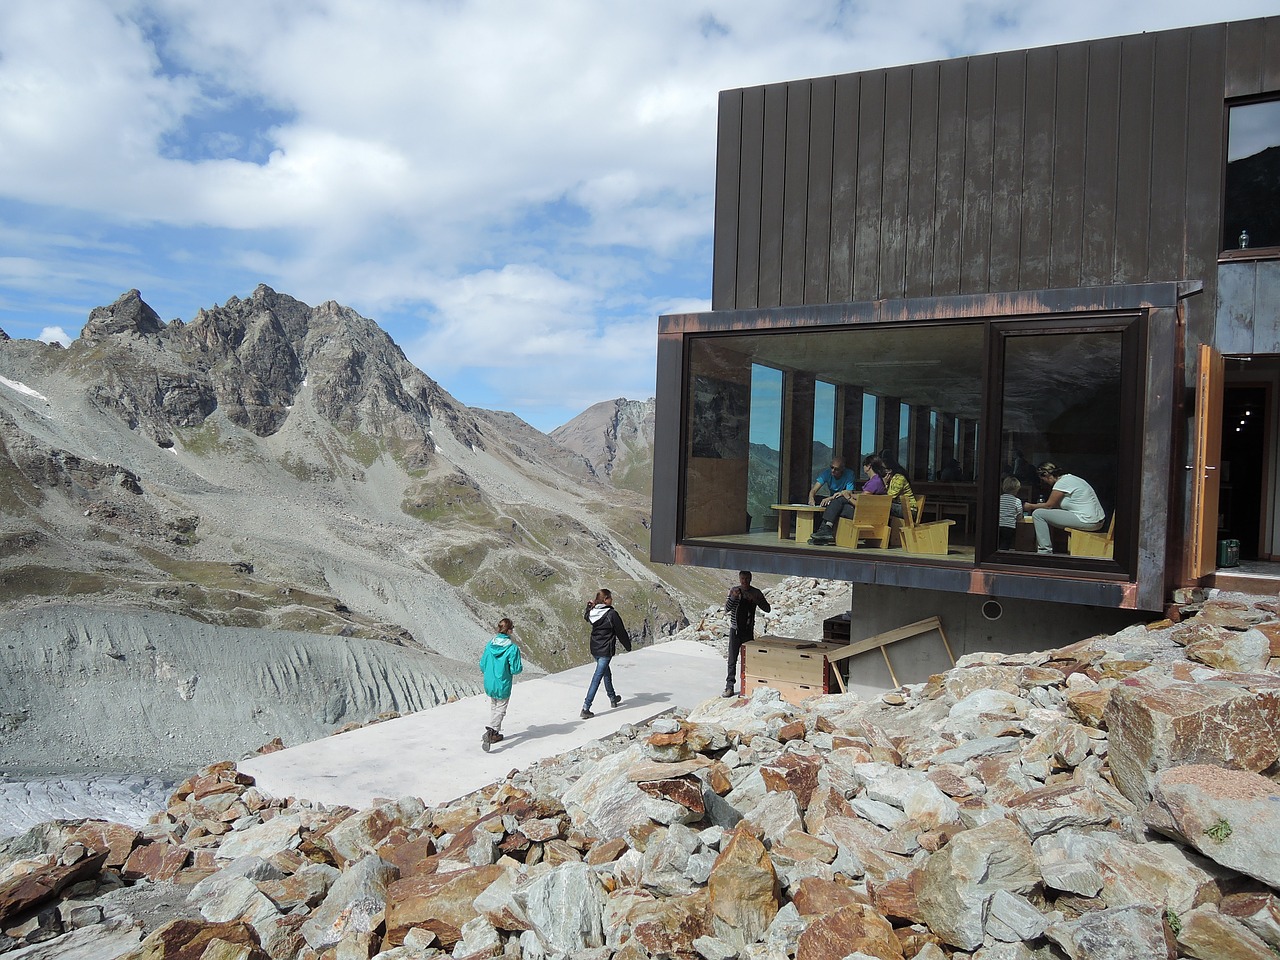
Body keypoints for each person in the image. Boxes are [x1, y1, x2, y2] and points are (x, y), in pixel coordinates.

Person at [1023, 462, 1105, 554]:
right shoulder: (1071, 478)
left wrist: (1030, 506)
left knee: (1038, 514)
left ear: (1047, 475)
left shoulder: (1062, 483)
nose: (1044, 483)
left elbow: (1049, 505)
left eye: (1043, 480)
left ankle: (1044, 551)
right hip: (1095, 520)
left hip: (1088, 520)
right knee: (1045, 514)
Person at [581, 589, 631, 718]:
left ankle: (613, 697)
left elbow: (587, 616)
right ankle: (586, 707)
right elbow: (620, 631)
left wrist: (588, 607)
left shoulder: (593, 611)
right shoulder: (611, 614)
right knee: (597, 677)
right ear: (605, 600)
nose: (612, 600)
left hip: (595, 648)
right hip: (605, 650)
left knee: (605, 673)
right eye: (610, 598)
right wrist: (628, 646)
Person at [723, 571, 771, 697]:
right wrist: (733, 597)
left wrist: (757, 600)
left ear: (751, 579)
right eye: (742, 578)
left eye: (746, 578)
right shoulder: (735, 590)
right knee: (732, 660)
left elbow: (767, 608)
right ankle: (729, 687)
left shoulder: (756, 592)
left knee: (748, 660)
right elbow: (727, 609)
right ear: (739, 579)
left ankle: (747, 687)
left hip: (748, 630)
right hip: (735, 630)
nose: (744, 581)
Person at [479, 618, 523, 752]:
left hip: (489, 682)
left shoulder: (490, 644)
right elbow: (516, 669)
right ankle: (491, 731)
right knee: (501, 709)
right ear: (509, 630)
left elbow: (482, 664)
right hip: (502, 682)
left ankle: (495, 734)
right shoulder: (512, 648)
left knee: (494, 706)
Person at [879, 453, 917, 519]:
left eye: (882, 468)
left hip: (909, 510)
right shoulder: (890, 480)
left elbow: (888, 498)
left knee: (881, 506)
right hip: (899, 506)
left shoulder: (899, 478)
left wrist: (883, 485)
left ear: (889, 470)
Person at [998, 475, 1024, 549]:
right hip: (1009, 526)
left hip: (998, 524)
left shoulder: (999, 498)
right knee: (1006, 543)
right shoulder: (1017, 501)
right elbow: (1019, 515)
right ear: (1016, 489)